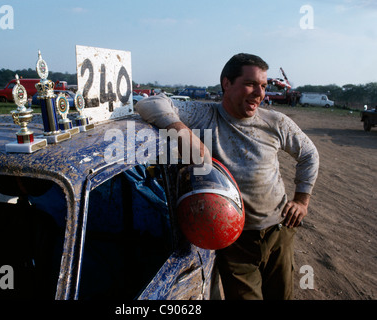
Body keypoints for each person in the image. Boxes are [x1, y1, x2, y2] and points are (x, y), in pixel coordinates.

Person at [135, 53, 319, 300]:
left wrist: (301, 201)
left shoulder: (276, 122)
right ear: (226, 84)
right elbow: (150, 103)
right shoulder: (205, 116)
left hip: (279, 231)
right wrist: (184, 135)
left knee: (281, 295)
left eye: (264, 86)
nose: (260, 93)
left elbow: (309, 154)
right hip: (235, 242)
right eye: (251, 84)